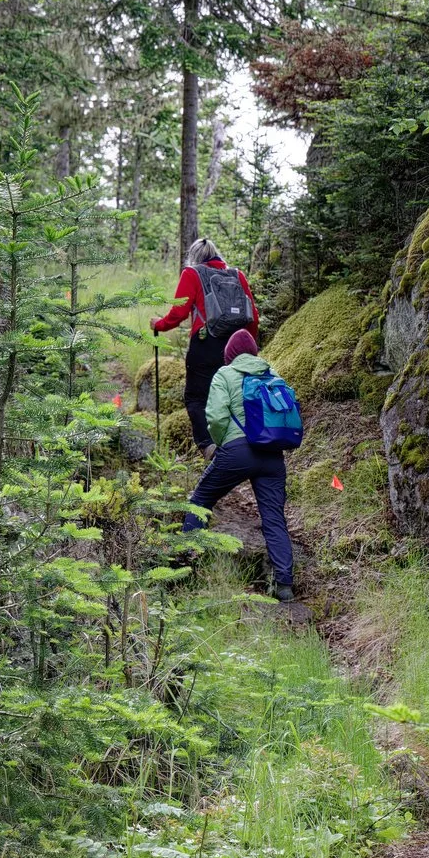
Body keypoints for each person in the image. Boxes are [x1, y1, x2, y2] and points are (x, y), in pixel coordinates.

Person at [183, 329, 295, 602]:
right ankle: (285, 585)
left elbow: (217, 417)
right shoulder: (273, 375)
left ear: (229, 355)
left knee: (200, 499)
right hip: (272, 454)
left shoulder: (225, 374)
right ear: (255, 353)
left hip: (236, 451)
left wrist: (222, 445)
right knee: (273, 518)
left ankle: (184, 567)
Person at [150, 237, 258, 460]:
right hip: (236, 347)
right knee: (233, 396)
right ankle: (240, 445)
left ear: (194, 257)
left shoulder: (192, 274)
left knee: (196, 398)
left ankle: (209, 447)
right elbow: (253, 317)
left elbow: (179, 313)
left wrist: (158, 324)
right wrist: (249, 345)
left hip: (205, 343)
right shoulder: (237, 275)